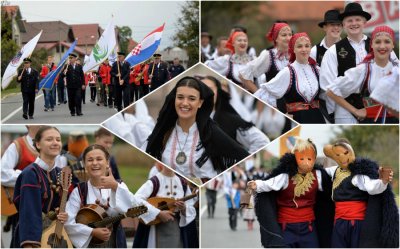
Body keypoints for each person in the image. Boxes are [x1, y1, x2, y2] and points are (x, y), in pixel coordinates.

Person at [144, 76, 249, 183]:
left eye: (192, 98)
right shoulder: (164, 132)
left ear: (200, 103)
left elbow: (242, 156)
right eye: (180, 97)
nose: (185, 103)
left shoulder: (211, 133)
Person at [247, 137, 334, 248]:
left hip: (309, 226)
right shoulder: (285, 176)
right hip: (286, 226)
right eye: (302, 158)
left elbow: (332, 181)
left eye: (310, 158)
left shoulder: (318, 175)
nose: (306, 163)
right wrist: (257, 184)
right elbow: (270, 183)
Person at [320, 2, 398, 123]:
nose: (354, 23)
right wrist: (354, 111)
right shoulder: (333, 51)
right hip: (345, 109)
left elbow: (394, 74)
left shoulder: (379, 45)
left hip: (377, 106)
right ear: (344, 24)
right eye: (349, 20)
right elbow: (328, 86)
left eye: (357, 20)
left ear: (364, 22)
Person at [323, 139, 399, 248]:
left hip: (356, 222)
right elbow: (321, 174)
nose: (342, 157)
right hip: (339, 222)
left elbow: (371, 187)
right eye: (338, 154)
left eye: (345, 153)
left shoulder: (358, 174)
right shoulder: (334, 170)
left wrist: (383, 181)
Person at [12, 126, 69, 247]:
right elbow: (29, 213)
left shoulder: (60, 173)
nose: (55, 143)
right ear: (38, 144)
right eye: (49, 139)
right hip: (32, 238)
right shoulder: (30, 173)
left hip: (53, 237)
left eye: (58, 140)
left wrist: (64, 213)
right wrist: (30, 244)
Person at [254, 33, 326, 124]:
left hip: (317, 118)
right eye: (299, 46)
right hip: (297, 119)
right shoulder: (288, 72)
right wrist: (281, 114)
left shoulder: (317, 70)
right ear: (293, 49)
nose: (304, 49)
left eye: (307, 46)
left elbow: (327, 94)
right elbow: (265, 93)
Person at [133, 165, 198, 248]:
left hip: (176, 228)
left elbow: (190, 206)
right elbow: (136, 200)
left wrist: (184, 208)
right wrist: (158, 213)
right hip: (156, 228)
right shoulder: (154, 181)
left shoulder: (182, 183)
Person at [201, 75, 270, 153]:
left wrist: (242, 160)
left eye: (209, 89)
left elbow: (262, 141)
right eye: (201, 89)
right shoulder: (194, 117)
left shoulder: (230, 119)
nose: (205, 93)